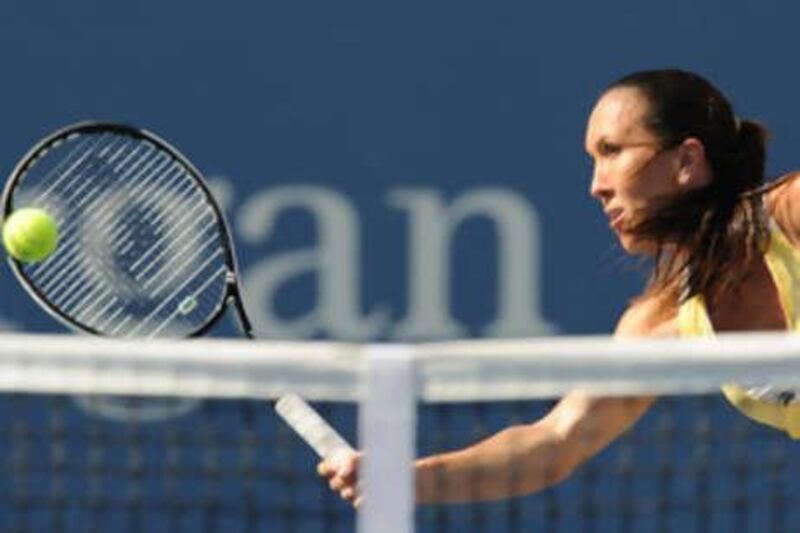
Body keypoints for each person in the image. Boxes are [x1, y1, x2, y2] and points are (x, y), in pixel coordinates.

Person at [318, 69, 800, 505]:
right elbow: (554, 443)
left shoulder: (791, 214)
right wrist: (411, 479)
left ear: (686, 160)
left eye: (612, 151)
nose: (597, 185)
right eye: (593, 159)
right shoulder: (661, 320)